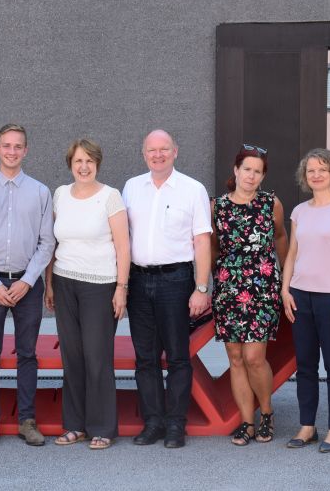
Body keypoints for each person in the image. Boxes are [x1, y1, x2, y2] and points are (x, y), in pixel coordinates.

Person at [0, 123, 56, 447]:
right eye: (7, 145)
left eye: (18, 146)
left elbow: (47, 243)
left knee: (27, 354)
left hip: (26, 285)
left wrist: (28, 281)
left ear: (26, 150)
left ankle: (27, 420)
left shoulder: (40, 192)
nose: (12, 151)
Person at [122, 129, 212, 449]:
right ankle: (153, 422)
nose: (157, 155)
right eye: (151, 150)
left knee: (177, 356)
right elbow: (122, 238)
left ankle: (176, 424)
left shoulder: (192, 189)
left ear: (175, 151)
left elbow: (202, 241)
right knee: (145, 358)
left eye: (163, 149)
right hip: (138, 280)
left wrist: (201, 287)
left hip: (176, 281)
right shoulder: (131, 188)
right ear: (143, 153)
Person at [44, 139, 130, 450]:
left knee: (97, 358)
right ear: (70, 163)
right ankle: (75, 425)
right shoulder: (60, 195)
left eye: (89, 161)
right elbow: (52, 244)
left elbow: (123, 246)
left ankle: (103, 426)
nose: (84, 167)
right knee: (73, 358)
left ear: (97, 164)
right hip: (66, 283)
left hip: (100, 285)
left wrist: (122, 288)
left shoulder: (110, 197)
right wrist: (50, 283)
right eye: (79, 161)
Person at [281, 148, 330, 453]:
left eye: (322, 169)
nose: (316, 174)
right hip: (301, 296)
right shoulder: (299, 212)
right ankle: (307, 426)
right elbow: (292, 254)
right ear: (305, 175)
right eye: (311, 170)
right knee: (305, 366)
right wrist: (285, 290)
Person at [211, 144, 288, 446]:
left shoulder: (271, 203)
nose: (251, 175)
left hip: (263, 287)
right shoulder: (217, 206)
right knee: (235, 357)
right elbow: (214, 245)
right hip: (229, 287)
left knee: (254, 357)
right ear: (236, 170)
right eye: (247, 169)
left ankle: (266, 413)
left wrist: (285, 280)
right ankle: (247, 422)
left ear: (263, 175)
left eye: (257, 171)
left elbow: (280, 237)